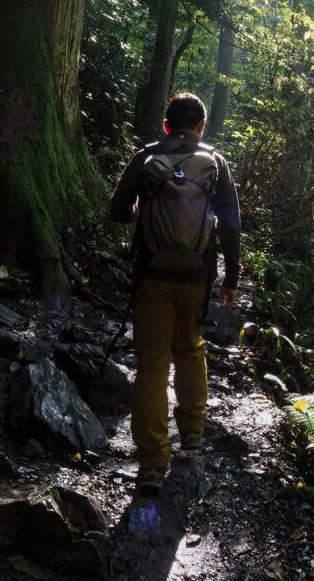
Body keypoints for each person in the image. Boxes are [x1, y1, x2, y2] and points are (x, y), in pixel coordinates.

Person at [111, 92, 240, 494]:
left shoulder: (146, 157)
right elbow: (230, 224)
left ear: (166, 125)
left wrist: (140, 212)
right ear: (201, 126)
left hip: (152, 275)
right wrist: (231, 278)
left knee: (152, 364)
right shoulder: (215, 161)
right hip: (197, 275)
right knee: (191, 350)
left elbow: (118, 211)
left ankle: (151, 464)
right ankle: (193, 435)